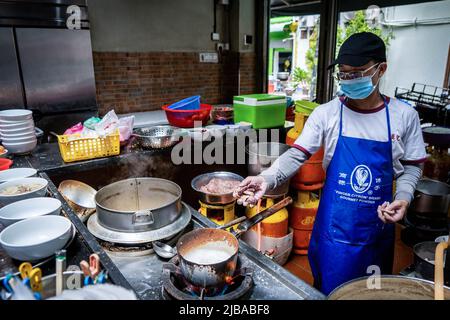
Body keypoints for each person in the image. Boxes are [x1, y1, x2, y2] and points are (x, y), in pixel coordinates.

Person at [233, 32, 427, 295]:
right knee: (327, 291)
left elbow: (412, 165)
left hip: (376, 231)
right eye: (343, 74)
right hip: (333, 232)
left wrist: (403, 197)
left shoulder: (404, 116)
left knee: (371, 295)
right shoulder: (327, 113)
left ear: (381, 69)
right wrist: (266, 178)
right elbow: (297, 154)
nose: (348, 80)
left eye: (357, 73)